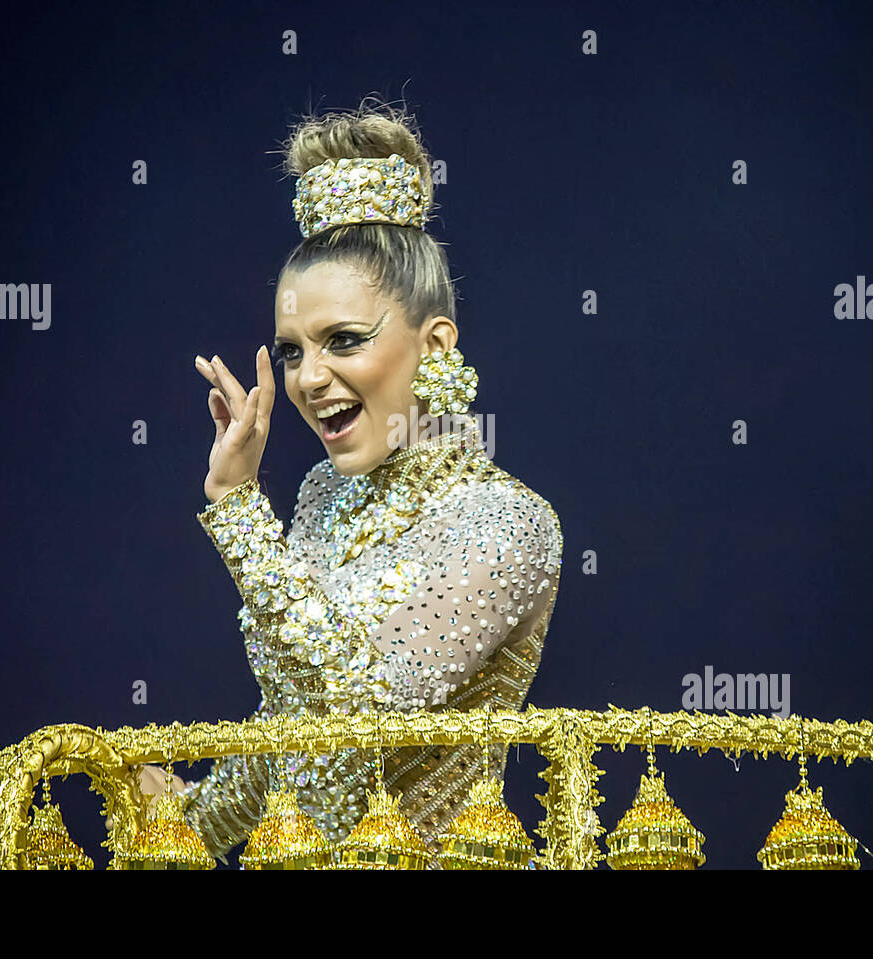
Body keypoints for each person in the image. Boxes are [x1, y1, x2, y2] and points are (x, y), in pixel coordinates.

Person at [139, 98, 563, 866]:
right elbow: (292, 734)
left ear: (435, 344)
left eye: (344, 341)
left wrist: (240, 515)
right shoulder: (318, 499)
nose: (310, 378)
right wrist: (185, 819)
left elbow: (356, 712)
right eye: (292, 351)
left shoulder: (507, 522)